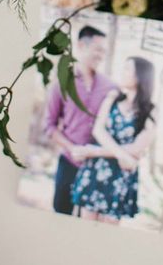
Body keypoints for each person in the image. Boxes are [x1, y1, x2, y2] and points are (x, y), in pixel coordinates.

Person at [71, 56, 156, 224]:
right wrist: (123, 155)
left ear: (140, 76)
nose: (122, 72)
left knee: (108, 232)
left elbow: (137, 148)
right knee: (84, 227)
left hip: (120, 176)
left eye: (127, 69)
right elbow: (98, 130)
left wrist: (93, 151)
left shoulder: (151, 111)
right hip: (96, 169)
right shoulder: (112, 98)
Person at [44, 25, 116, 215]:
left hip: (98, 165)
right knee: (61, 213)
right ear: (81, 46)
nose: (101, 55)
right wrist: (72, 148)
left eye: (104, 51)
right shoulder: (62, 83)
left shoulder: (110, 87)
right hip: (69, 162)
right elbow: (49, 126)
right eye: (98, 49)